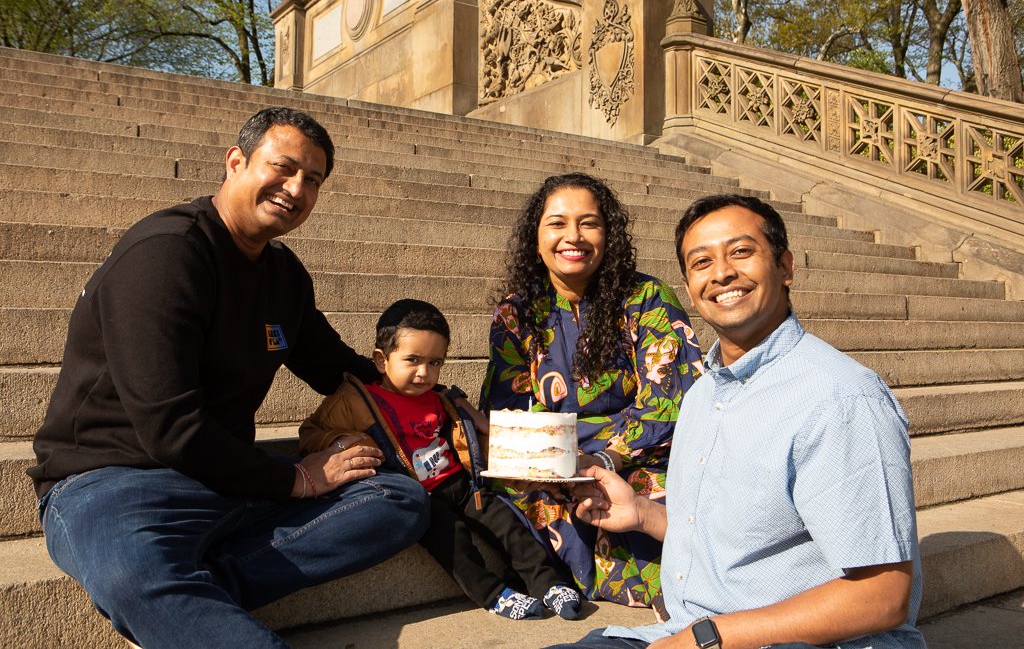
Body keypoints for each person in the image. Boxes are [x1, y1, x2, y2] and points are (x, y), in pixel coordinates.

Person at [28, 107, 430, 649]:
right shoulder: (165, 255)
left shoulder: (283, 275)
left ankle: (197, 592)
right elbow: (171, 430)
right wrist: (298, 480)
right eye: (283, 168)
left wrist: (442, 405)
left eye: (312, 180)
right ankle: (178, 593)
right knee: (132, 574)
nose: (295, 189)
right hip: (110, 483)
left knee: (397, 499)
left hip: (225, 482)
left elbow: (335, 367)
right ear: (236, 161)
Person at [549, 194, 925, 649]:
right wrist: (643, 514)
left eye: (741, 252)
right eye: (701, 262)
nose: (721, 273)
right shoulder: (704, 394)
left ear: (785, 267)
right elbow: (742, 542)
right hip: (687, 632)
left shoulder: (840, 398)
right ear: (689, 289)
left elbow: (883, 597)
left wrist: (707, 638)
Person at [479, 172, 703, 615]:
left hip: (639, 456)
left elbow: (670, 401)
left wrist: (603, 460)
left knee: (658, 494)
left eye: (589, 223)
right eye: (557, 223)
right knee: (488, 492)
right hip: (553, 463)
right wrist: (553, 462)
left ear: (609, 234)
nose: (573, 237)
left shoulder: (645, 298)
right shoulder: (517, 313)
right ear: (536, 236)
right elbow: (508, 410)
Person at [299, 299, 583, 620]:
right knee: (455, 541)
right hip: (418, 497)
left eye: (435, 362)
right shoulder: (354, 401)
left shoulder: (441, 398)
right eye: (413, 360)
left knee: (508, 523)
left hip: (459, 483)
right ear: (381, 360)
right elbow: (311, 433)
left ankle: (548, 583)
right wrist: (339, 441)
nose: (424, 373)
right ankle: (493, 595)